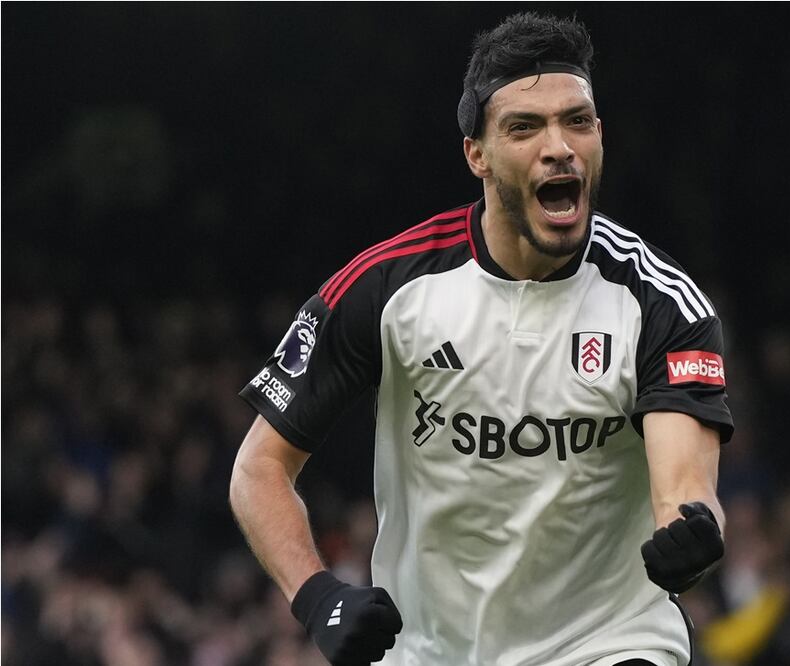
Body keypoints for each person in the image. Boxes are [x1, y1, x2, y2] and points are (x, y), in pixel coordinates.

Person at [230, 12, 733, 666]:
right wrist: (318, 596)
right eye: (524, 127)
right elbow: (259, 469)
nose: (559, 147)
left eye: (577, 121)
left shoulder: (661, 303)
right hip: (427, 651)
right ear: (477, 154)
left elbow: (686, 492)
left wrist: (691, 538)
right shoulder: (388, 289)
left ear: (599, 135)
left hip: (608, 642)